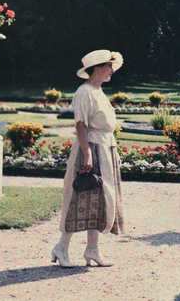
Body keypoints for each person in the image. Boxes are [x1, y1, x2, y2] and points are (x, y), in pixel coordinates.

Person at [51, 49, 125, 267]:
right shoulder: (84, 92)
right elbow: (80, 125)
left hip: (105, 147)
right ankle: (61, 247)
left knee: (99, 201)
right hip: (91, 148)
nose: (111, 70)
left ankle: (92, 250)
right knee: (80, 198)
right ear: (97, 68)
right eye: (107, 66)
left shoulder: (98, 91)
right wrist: (87, 154)